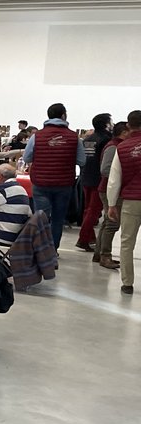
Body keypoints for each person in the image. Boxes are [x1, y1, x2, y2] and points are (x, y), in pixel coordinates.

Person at [21, 103, 85, 249]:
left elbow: (27, 158)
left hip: (41, 183)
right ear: (63, 115)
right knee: (57, 219)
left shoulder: (37, 136)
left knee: (41, 218)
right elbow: (82, 161)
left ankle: (39, 250)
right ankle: (52, 251)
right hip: (63, 184)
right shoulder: (74, 137)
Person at [106, 110, 141, 295]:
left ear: (128, 126)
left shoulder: (123, 147)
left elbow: (114, 179)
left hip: (131, 200)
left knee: (127, 242)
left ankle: (127, 283)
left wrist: (111, 204)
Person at [76, 113, 114, 252]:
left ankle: (89, 237)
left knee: (88, 210)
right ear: (106, 124)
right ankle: (83, 238)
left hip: (86, 177)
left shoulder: (88, 139)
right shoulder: (107, 140)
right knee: (94, 211)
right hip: (99, 179)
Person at [95, 121, 130, 269]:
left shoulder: (114, 145)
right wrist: (120, 177)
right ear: (123, 133)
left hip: (109, 188)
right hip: (110, 189)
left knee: (107, 223)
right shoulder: (114, 147)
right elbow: (105, 169)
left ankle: (99, 253)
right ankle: (105, 255)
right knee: (112, 223)